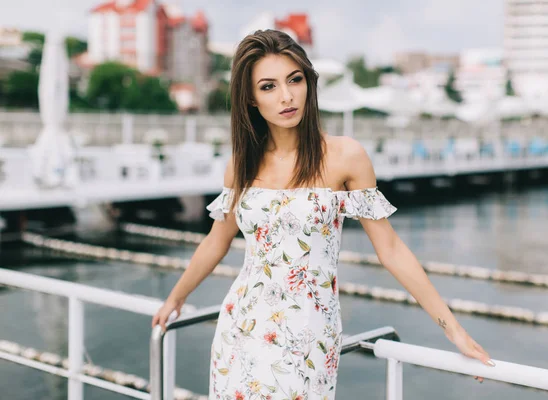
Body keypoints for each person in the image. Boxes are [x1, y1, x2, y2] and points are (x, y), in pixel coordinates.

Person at [152, 29, 495, 399]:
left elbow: (391, 250)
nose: (286, 96)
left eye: (294, 80)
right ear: (250, 99)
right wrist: (176, 298)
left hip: (308, 334)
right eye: (268, 87)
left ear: (308, 83)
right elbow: (216, 241)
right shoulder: (242, 164)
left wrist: (453, 329)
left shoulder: (345, 156)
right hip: (242, 327)